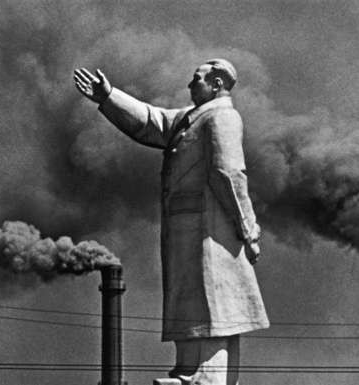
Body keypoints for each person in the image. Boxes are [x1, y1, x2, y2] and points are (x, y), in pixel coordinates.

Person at [74, 59, 269, 385]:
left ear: (217, 84)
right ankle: (188, 371)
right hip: (188, 234)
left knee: (213, 312)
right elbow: (151, 121)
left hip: (212, 237)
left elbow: (229, 173)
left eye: (197, 80)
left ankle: (204, 376)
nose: (190, 85)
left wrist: (247, 229)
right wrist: (108, 96)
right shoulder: (191, 118)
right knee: (192, 308)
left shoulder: (222, 117)